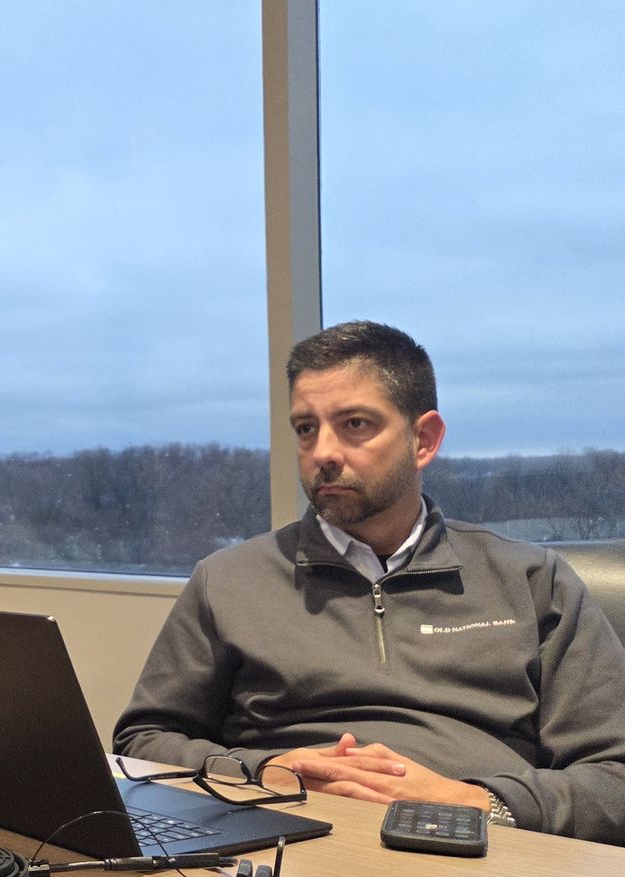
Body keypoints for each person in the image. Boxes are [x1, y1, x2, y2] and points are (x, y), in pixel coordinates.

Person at [114, 320, 625, 845]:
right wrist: (259, 772)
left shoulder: (531, 580)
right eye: (306, 428)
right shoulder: (228, 579)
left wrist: (476, 802)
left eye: (354, 424)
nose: (322, 452)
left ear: (423, 439)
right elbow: (143, 742)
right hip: (287, 840)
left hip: (480, 854)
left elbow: (615, 777)